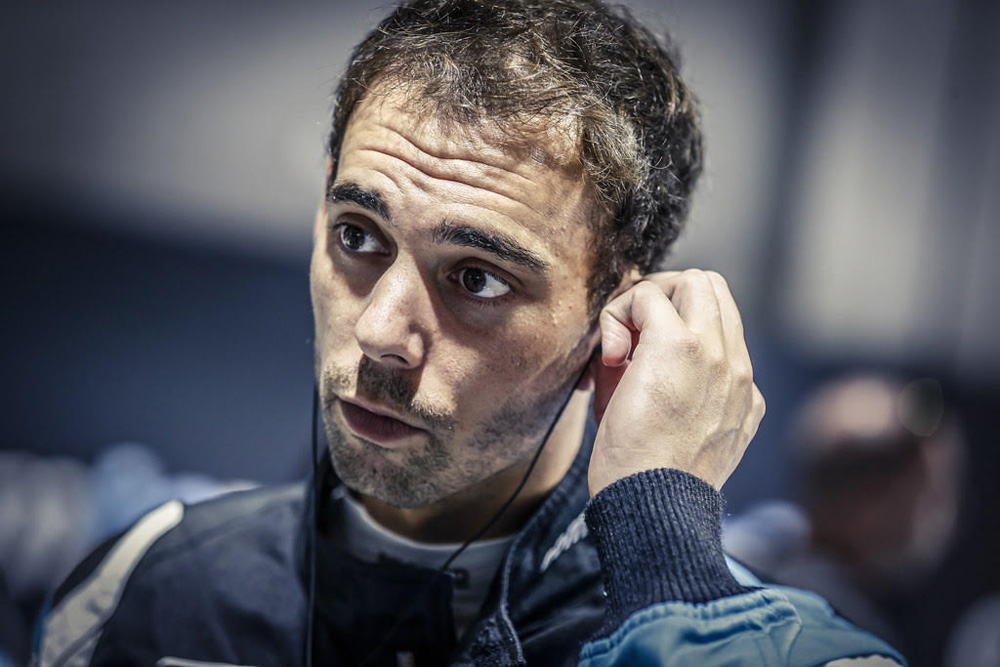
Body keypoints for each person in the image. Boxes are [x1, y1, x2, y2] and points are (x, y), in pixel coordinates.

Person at [35, 0, 904, 665]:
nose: (380, 333)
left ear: (617, 316)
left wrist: (667, 562)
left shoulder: (795, 651)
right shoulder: (146, 585)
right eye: (357, 235)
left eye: (478, 278)